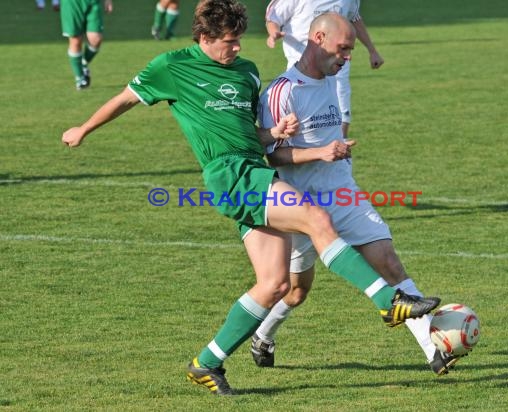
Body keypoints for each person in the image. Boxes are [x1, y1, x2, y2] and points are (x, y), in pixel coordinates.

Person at [61, 0, 440, 396]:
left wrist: (275, 132)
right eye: (229, 41)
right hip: (230, 174)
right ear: (204, 38)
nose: (238, 48)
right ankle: (386, 301)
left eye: (240, 39)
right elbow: (124, 98)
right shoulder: (171, 67)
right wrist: (83, 129)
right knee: (315, 219)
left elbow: (249, 135)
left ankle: (206, 361)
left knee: (275, 285)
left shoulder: (246, 72)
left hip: (255, 170)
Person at [254, 11, 462, 377]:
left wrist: (336, 151)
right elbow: (271, 155)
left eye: (350, 50)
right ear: (318, 40)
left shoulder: (331, 80)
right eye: (343, 49)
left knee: (389, 263)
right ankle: (263, 336)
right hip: (299, 205)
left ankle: (435, 349)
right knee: (295, 291)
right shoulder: (282, 91)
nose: (347, 57)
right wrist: (321, 152)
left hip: (343, 194)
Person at [265, 0, 383, 139]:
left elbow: (354, 18)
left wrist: (372, 50)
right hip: (301, 66)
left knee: (340, 110)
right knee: (301, 116)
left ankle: (340, 147)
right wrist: (274, 32)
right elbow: (273, 17)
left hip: (337, 63)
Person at [60, 0, 113, 90]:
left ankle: (83, 63)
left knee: (96, 39)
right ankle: (80, 77)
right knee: (75, 40)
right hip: (72, 3)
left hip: (92, 2)